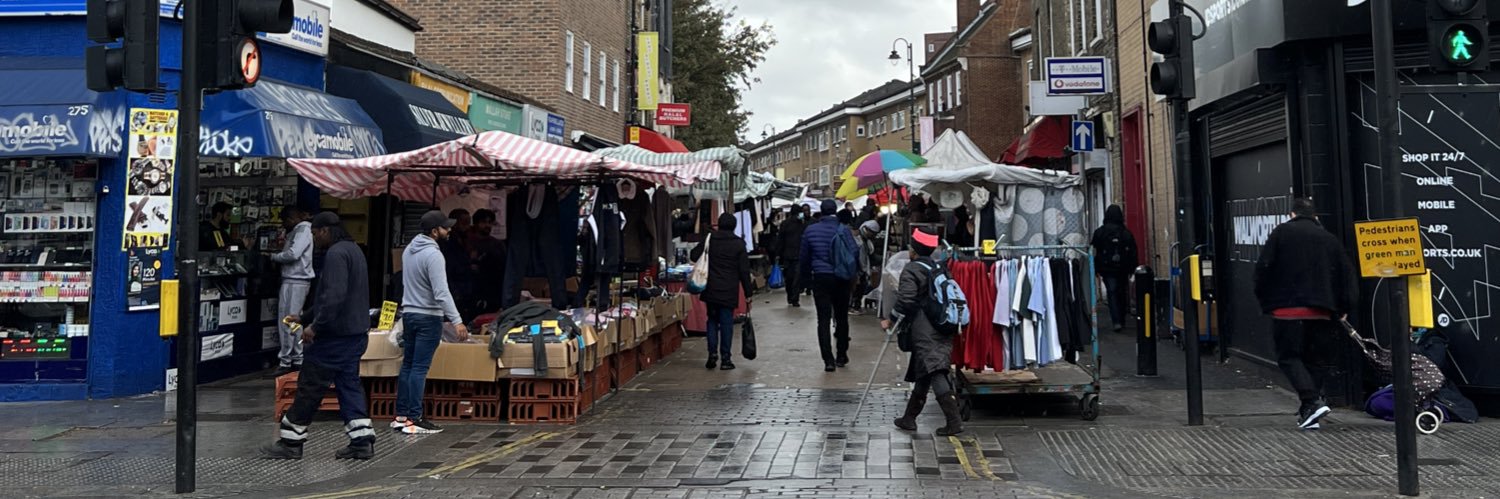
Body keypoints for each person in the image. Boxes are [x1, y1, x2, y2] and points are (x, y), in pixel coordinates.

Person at [261, 212, 375, 460]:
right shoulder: (354, 250)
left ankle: (291, 442)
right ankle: (362, 440)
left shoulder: (335, 254)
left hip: (333, 337)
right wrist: (304, 317)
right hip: (355, 334)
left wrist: (315, 327)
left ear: (325, 231)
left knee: (310, 386)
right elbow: (333, 297)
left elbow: (333, 297)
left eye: (315, 233)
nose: (315, 239)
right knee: (349, 386)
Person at [1254, 198, 1358, 431]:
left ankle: (1311, 401)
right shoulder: (1329, 239)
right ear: (1316, 217)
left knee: (1289, 357)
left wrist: (1265, 301)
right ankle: (1309, 412)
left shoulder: (1281, 233)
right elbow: (1345, 276)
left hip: (1286, 310)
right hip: (1322, 311)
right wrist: (1343, 308)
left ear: (1292, 214)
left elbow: (1263, 269)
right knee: (1316, 361)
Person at [395, 211, 470, 435]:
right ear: (435, 231)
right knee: (419, 368)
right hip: (428, 317)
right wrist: (457, 321)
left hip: (409, 314)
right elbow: (441, 293)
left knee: (408, 365)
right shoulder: (434, 255)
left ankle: (401, 415)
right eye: (445, 228)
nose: (449, 231)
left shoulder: (409, 250)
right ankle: (415, 418)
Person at [885, 228, 963, 436]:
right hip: (943, 324)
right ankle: (909, 418)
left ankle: (954, 421)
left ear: (914, 250)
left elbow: (906, 300)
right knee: (925, 371)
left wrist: (891, 319)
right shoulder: (939, 267)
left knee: (935, 369)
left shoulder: (912, 269)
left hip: (925, 328)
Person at [691, 213, 755, 371]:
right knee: (727, 324)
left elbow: (693, 255)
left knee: (712, 321)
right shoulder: (739, 244)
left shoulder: (710, 240)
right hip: (729, 290)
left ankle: (712, 354)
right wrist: (748, 294)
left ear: (718, 224)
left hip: (711, 289)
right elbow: (744, 272)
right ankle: (726, 359)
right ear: (734, 226)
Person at [800, 199, 857, 372]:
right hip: (841, 278)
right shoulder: (844, 230)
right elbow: (854, 251)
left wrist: (805, 280)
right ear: (835, 211)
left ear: (822, 212)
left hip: (821, 277)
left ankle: (828, 360)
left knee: (823, 320)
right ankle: (841, 354)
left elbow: (804, 257)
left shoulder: (810, 230)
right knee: (841, 317)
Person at [269, 205, 314, 377]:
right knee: (293, 320)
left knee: (288, 320)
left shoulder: (302, 230)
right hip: (296, 280)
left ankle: (287, 360)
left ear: (292, 218)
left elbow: (294, 254)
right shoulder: (302, 230)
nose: (283, 223)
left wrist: (274, 257)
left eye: (285, 220)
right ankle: (296, 357)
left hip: (296, 280)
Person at [1089, 205, 1140, 332]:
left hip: (1106, 268)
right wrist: (1133, 268)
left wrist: (1095, 268)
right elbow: (1133, 251)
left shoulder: (1100, 232)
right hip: (1122, 268)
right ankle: (1121, 318)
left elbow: (1093, 251)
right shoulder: (1125, 233)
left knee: (1112, 292)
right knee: (1122, 291)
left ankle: (1116, 320)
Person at [442, 209, 475, 318]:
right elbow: (449, 268)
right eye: (464, 222)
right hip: (454, 288)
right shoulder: (448, 242)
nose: (468, 226)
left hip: (465, 288)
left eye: (469, 222)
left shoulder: (465, 240)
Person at [778, 207, 807, 307]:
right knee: (796, 278)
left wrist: (778, 254)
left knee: (789, 277)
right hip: (797, 254)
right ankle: (794, 298)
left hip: (787, 255)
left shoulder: (785, 224)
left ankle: (791, 296)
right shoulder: (801, 224)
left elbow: (780, 240)